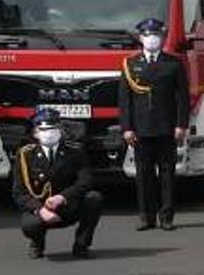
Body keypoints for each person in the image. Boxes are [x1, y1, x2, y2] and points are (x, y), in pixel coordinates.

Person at [119, 17, 190, 231]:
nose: (153, 40)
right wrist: (127, 128)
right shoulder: (131, 64)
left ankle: (166, 216)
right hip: (141, 129)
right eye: (148, 36)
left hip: (166, 128)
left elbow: (183, 98)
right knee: (144, 175)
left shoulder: (173, 63)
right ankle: (146, 216)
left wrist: (181, 125)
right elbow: (125, 100)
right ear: (141, 38)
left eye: (157, 36)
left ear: (163, 38)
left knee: (167, 174)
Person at [13, 108, 103, 260]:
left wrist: (63, 197)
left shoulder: (75, 151)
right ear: (35, 133)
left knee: (94, 198)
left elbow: (85, 181)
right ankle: (37, 243)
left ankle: (81, 245)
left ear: (61, 131)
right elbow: (19, 192)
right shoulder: (25, 155)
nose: (49, 133)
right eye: (44, 129)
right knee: (30, 225)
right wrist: (40, 210)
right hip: (41, 208)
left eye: (54, 129)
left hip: (68, 206)